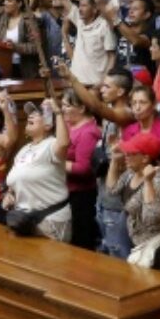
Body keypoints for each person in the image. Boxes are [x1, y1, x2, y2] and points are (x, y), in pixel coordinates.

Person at [57, 62, 135, 259]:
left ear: (121, 91)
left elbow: (94, 106)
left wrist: (72, 79)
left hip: (118, 187)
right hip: (103, 183)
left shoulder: (126, 112)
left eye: (108, 86)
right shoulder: (109, 109)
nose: (102, 89)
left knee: (116, 245)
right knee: (103, 241)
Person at [4, 98, 71, 242]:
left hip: (50, 220)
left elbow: (64, 143)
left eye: (38, 113)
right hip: (24, 220)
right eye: (30, 113)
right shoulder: (24, 150)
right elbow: (16, 181)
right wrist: (9, 194)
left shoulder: (51, 144)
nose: (31, 115)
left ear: (48, 124)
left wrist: (58, 113)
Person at [106, 132, 160, 268]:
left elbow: (151, 219)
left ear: (145, 158)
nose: (126, 155)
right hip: (137, 237)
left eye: (131, 153)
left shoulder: (158, 182)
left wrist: (148, 181)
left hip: (157, 245)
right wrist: (114, 160)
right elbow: (112, 190)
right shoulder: (131, 173)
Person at [54, 0, 116, 86]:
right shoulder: (79, 20)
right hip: (76, 82)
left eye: (84, 6)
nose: (80, 9)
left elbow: (111, 57)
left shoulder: (104, 26)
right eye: (80, 5)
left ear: (95, 9)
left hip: (95, 84)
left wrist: (104, 83)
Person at [60, 87, 101, 249]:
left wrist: (56, 164)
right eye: (62, 105)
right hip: (66, 191)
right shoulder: (70, 124)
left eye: (67, 105)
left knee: (80, 240)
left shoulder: (88, 132)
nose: (63, 109)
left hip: (81, 196)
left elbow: (84, 169)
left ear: (82, 108)